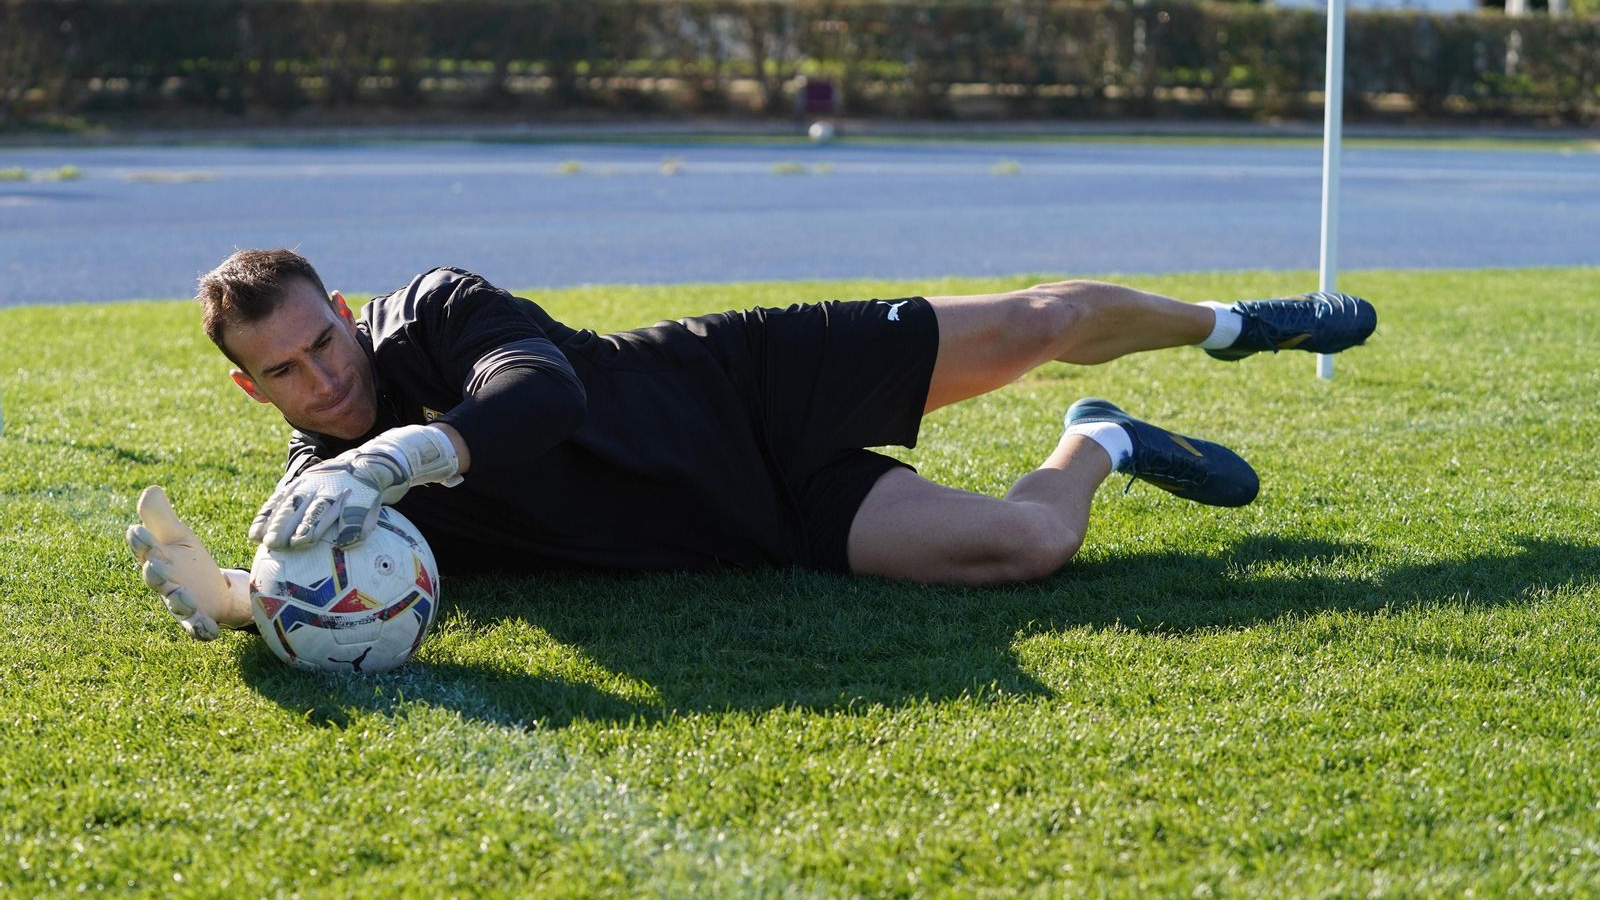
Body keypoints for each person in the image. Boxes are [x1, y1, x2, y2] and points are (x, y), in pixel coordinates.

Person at [127, 248, 1378, 641]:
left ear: (346, 312)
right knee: (1028, 548)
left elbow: (541, 396)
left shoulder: (435, 311)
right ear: (250, 387)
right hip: (766, 516)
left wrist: (401, 451)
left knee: (1043, 322)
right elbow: (319, 588)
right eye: (285, 372)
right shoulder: (326, 498)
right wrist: (234, 598)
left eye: (325, 341)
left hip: (752, 382)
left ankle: (1229, 324)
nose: (323, 378)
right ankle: (1099, 439)